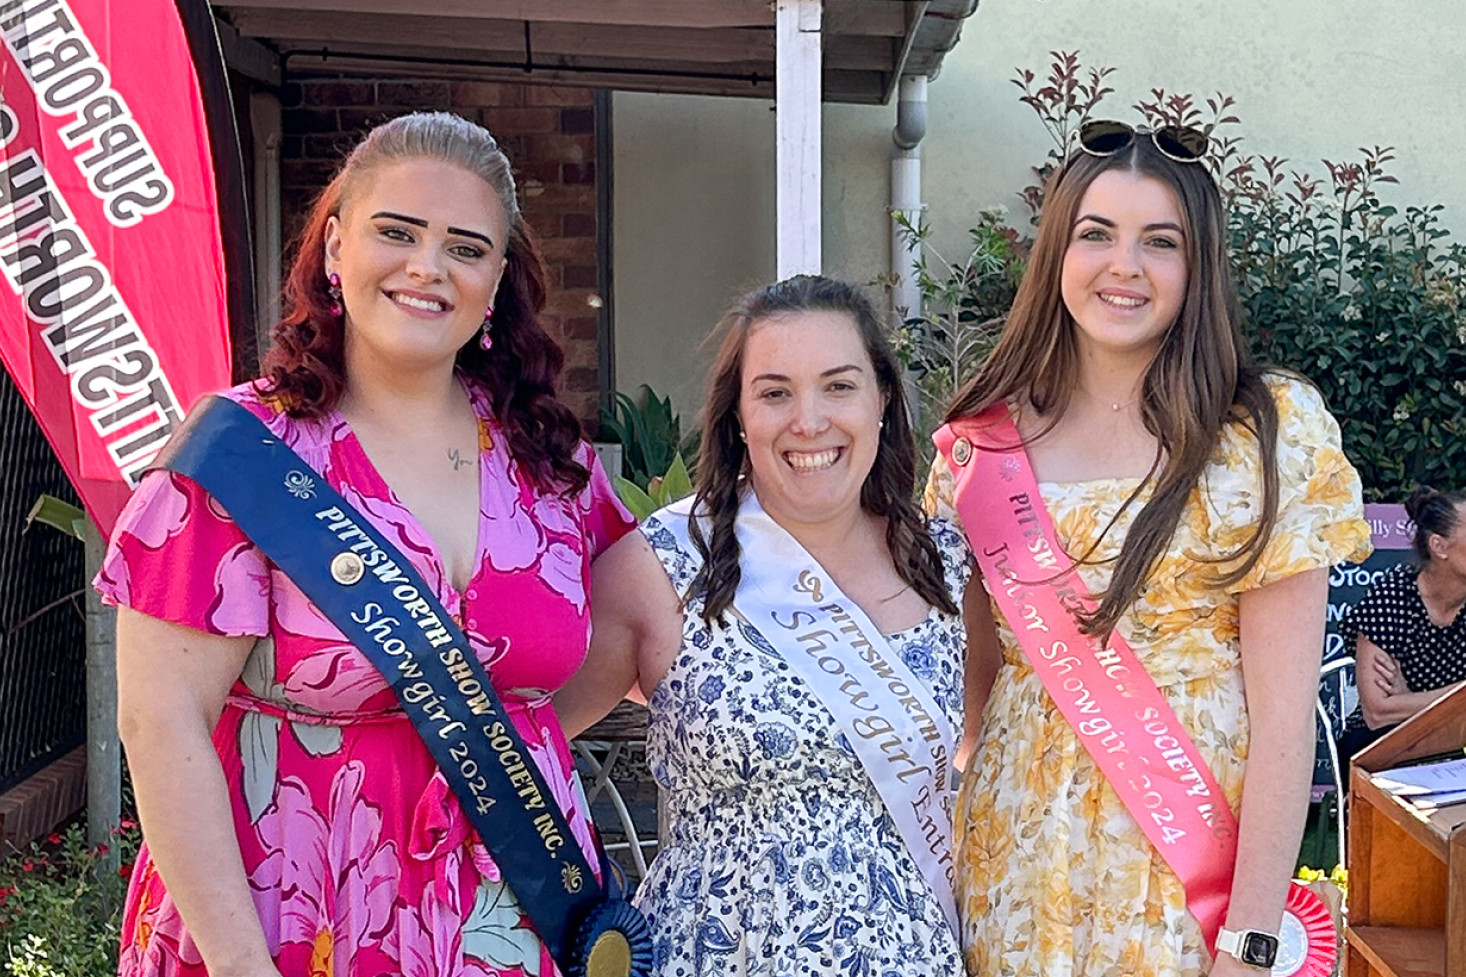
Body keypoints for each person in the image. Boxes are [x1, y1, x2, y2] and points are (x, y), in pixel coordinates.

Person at [98, 112, 634, 977]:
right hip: (290, 910)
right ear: (337, 247)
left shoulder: (549, 460)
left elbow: (643, 632)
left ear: (496, 282)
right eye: (397, 232)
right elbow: (160, 722)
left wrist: (490, 738)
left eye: (466, 247)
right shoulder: (243, 452)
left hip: (509, 909)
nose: (428, 266)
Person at [924, 121, 1372, 976]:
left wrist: (1248, 939)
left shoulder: (1265, 437)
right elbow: (972, 706)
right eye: (1097, 234)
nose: (1123, 265)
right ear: (1058, 250)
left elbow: (1286, 723)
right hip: (1015, 867)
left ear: (1196, 268)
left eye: (1158, 242)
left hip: (1185, 889)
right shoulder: (980, 449)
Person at [555, 275, 974, 976]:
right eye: (775, 392)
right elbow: (516, 747)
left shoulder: (948, 565)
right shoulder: (663, 564)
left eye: (839, 386)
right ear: (740, 417)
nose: (808, 420)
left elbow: (990, 755)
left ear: (883, 401)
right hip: (717, 952)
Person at [1339, 485, 1466, 754]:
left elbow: (1394, 706)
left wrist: (1407, 701)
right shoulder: (1392, 597)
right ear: (1439, 546)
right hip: (1383, 750)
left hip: (1453, 746)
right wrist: (1459, 697)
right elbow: (1378, 713)